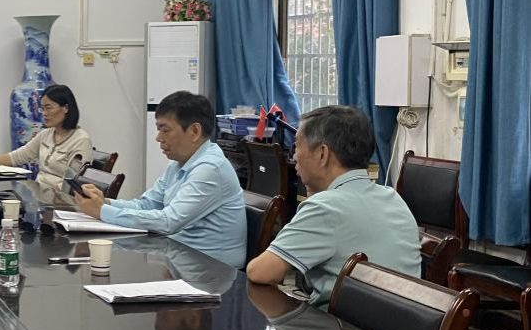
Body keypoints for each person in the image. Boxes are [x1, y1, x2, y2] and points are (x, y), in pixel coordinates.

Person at [247, 105, 420, 306]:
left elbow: (260, 272)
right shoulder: (393, 198)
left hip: (341, 323)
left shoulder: (325, 207)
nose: (294, 157)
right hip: (397, 321)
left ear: (322, 154)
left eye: (297, 147)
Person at [73, 91, 246, 267]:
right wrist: (106, 203)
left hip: (212, 270)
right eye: (158, 130)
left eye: (165, 130)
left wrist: (102, 211)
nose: (158, 138)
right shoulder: (178, 163)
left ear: (194, 131)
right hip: (179, 256)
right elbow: (147, 205)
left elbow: (168, 222)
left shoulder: (211, 168)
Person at [0, 84, 93, 189]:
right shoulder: (46, 134)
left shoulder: (80, 140)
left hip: (59, 202)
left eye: (49, 108)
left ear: (66, 108)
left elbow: (73, 185)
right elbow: (16, 157)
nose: (44, 113)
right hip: (39, 195)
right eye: (42, 108)